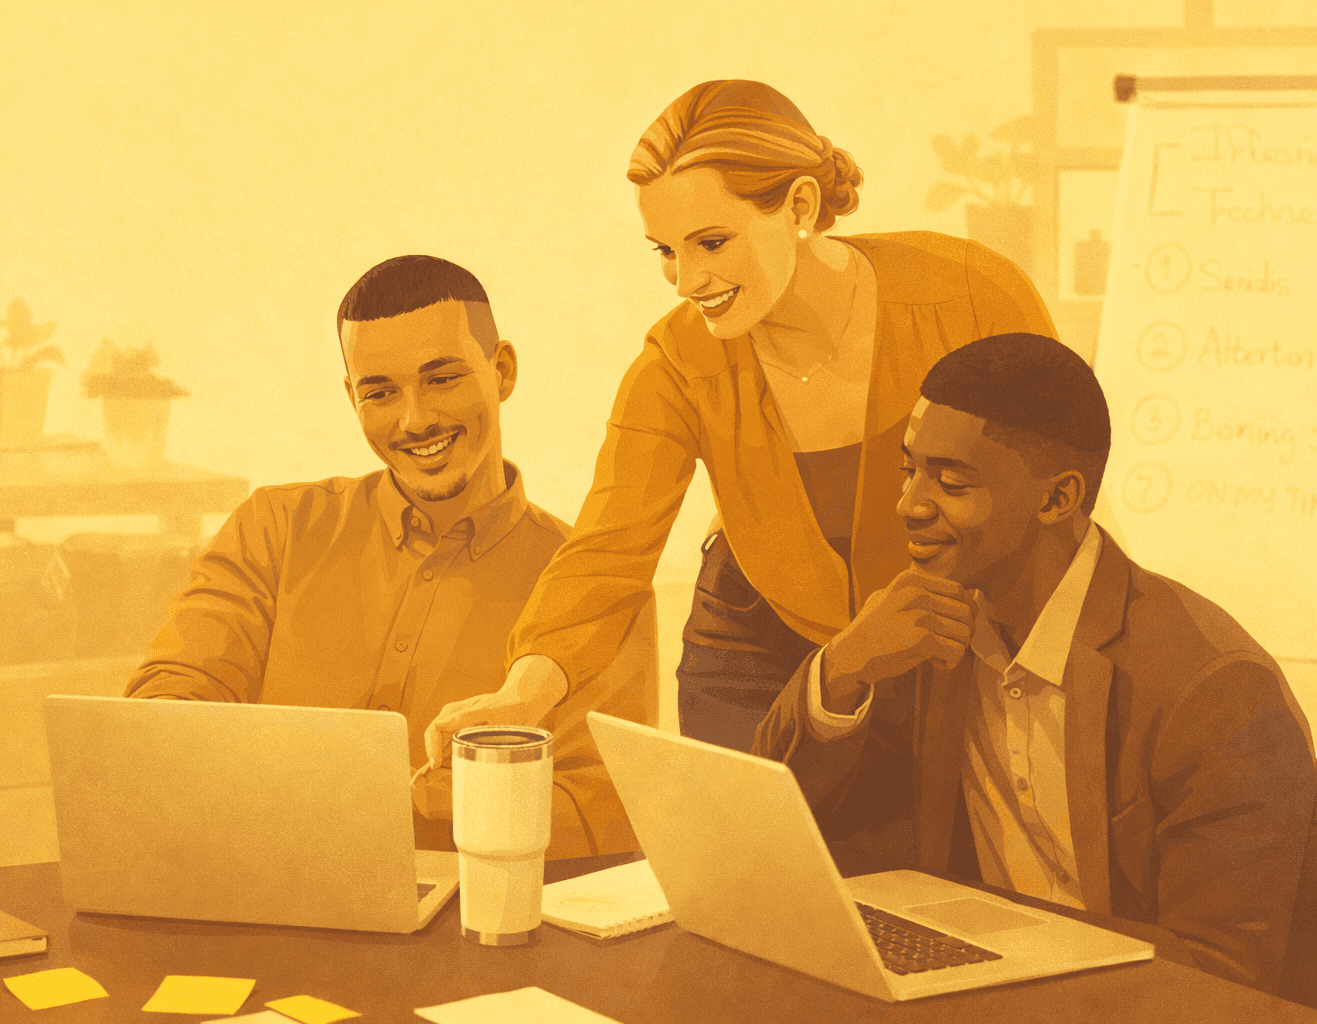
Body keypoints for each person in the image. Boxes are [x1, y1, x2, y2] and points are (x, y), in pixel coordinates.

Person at [424, 79, 1056, 765]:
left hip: (947, 640)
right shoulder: (675, 364)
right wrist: (523, 695)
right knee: (742, 854)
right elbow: (609, 549)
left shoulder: (969, 298)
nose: (686, 280)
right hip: (752, 644)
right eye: (665, 250)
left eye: (713, 243)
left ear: (801, 206)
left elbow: (1059, 485)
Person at [753, 332, 1317, 993]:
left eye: (951, 482)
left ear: (1057, 499)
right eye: (909, 471)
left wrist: (1012, 945)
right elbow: (787, 828)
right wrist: (843, 666)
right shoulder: (926, 626)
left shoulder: (1215, 691)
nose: (909, 505)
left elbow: (1227, 978)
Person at [126, 254, 658, 859]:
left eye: (442, 379)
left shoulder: (598, 582)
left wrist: (350, 808)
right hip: (266, 894)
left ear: (502, 370)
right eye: (380, 392)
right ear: (351, 396)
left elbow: (601, 815)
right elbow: (168, 705)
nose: (415, 419)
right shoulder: (273, 528)